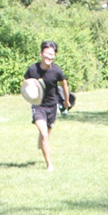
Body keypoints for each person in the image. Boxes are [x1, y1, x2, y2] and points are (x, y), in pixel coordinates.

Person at [24, 41, 71, 171]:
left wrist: (66, 101)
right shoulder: (33, 69)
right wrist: (30, 94)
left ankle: (42, 141)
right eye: (47, 53)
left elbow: (64, 85)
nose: (49, 57)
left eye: (52, 54)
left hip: (52, 105)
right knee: (44, 134)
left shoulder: (57, 71)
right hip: (38, 105)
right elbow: (25, 84)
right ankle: (49, 165)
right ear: (41, 53)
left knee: (47, 133)